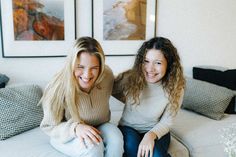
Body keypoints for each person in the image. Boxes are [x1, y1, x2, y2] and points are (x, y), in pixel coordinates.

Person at [40, 37, 124, 157]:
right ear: (72, 64)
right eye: (80, 67)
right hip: (67, 133)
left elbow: (125, 93)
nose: (87, 75)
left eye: (94, 68)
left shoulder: (106, 75)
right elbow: (48, 126)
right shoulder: (57, 86)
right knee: (94, 148)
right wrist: (75, 128)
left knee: (116, 140)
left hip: (100, 125)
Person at [113, 37, 185, 157]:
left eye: (158, 63)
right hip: (128, 128)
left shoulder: (176, 87)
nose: (150, 69)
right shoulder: (130, 78)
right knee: (134, 151)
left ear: (169, 64)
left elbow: (167, 121)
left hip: (156, 130)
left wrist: (151, 135)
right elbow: (109, 88)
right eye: (146, 61)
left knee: (156, 154)